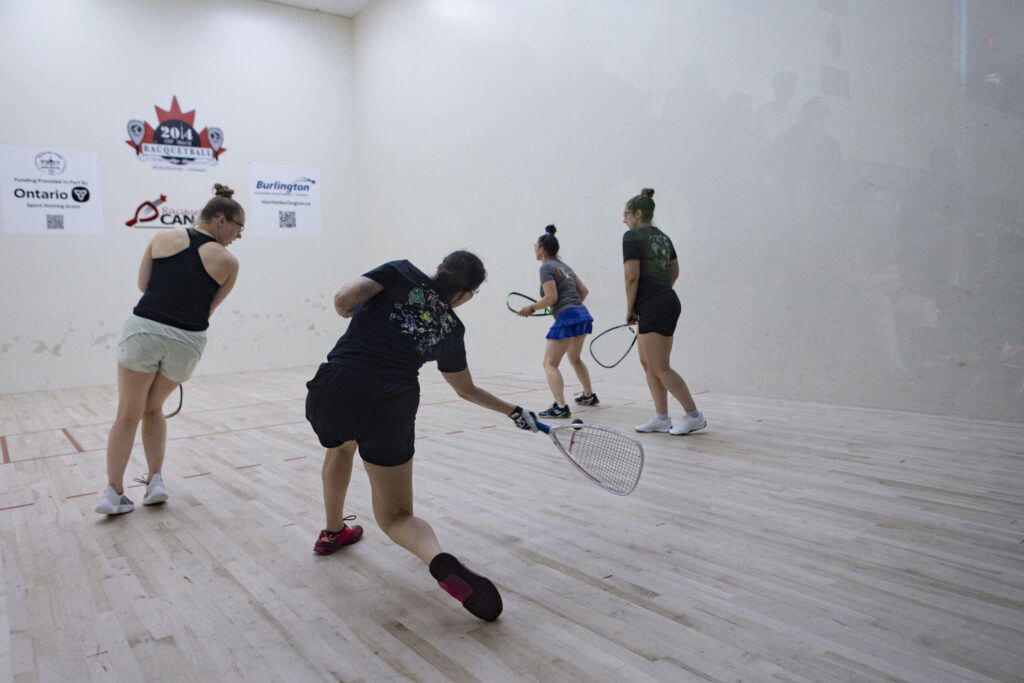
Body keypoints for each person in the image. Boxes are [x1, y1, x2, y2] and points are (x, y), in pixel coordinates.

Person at [305, 251, 539, 622]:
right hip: (391, 404)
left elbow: (342, 301)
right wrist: (513, 411)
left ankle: (333, 533)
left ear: (440, 267)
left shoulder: (400, 272)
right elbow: (465, 390)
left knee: (340, 447)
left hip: (335, 389)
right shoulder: (452, 328)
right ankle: (437, 558)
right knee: (396, 516)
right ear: (467, 295)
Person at [95, 184, 243, 515]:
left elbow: (143, 285)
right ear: (222, 219)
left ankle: (113, 494)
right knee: (153, 408)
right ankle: (155, 483)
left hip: (144, 330)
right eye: (239, 228)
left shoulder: (162, 238)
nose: (238, 236)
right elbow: (207, 309)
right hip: (186, 341)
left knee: (128, 412)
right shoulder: (229, 263)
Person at [621, 188, 706, 435]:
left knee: (660, 367)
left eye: (626, 214)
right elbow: (674, 270)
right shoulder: (664, 238)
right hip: (663, 300)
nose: (623, 219)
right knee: (648, 364)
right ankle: (661, 418)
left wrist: (630, 307)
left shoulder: (631, 236)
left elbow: (631, 276)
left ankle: (694, 416)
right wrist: (661, 291)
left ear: (638, 213)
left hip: (653, 304)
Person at [516, 224, 598, 417]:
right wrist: (570, 306)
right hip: (582, 314)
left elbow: (551, 297)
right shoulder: (565, 266)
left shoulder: (546, 268)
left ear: (541, 249)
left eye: (535, 247)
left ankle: (560, 407)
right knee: (575, 358)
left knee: (549, 363)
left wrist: (531, 308)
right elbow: (583, 291)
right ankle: (589, 396)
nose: (534, 250)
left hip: (569, 317)